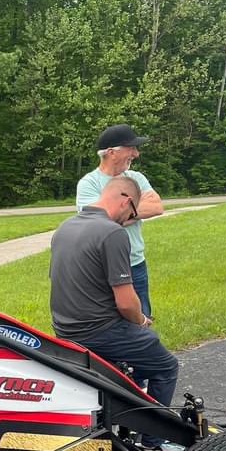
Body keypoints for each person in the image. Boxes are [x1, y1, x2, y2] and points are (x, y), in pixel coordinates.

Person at [50, 176, 179, 428]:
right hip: (99, 331)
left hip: (64, 330)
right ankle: (153, 439)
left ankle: (121, 416)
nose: (130, 218)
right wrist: (142, 320)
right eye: (132, 213)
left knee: (126, 371)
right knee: (165, 366)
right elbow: (126, 303)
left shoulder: (65, 227)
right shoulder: (112, 233)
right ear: (126, 201)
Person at [76, 124, 163, 317]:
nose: (136, 153)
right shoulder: (88, 184)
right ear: (111, 153)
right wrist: (132, 210)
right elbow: (95, 223)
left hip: (135, 264)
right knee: (107, 322)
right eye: (131, 148)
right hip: (103, 268)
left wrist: (116, 214)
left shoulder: (135, 177)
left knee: (142, 322)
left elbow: (156, 207)